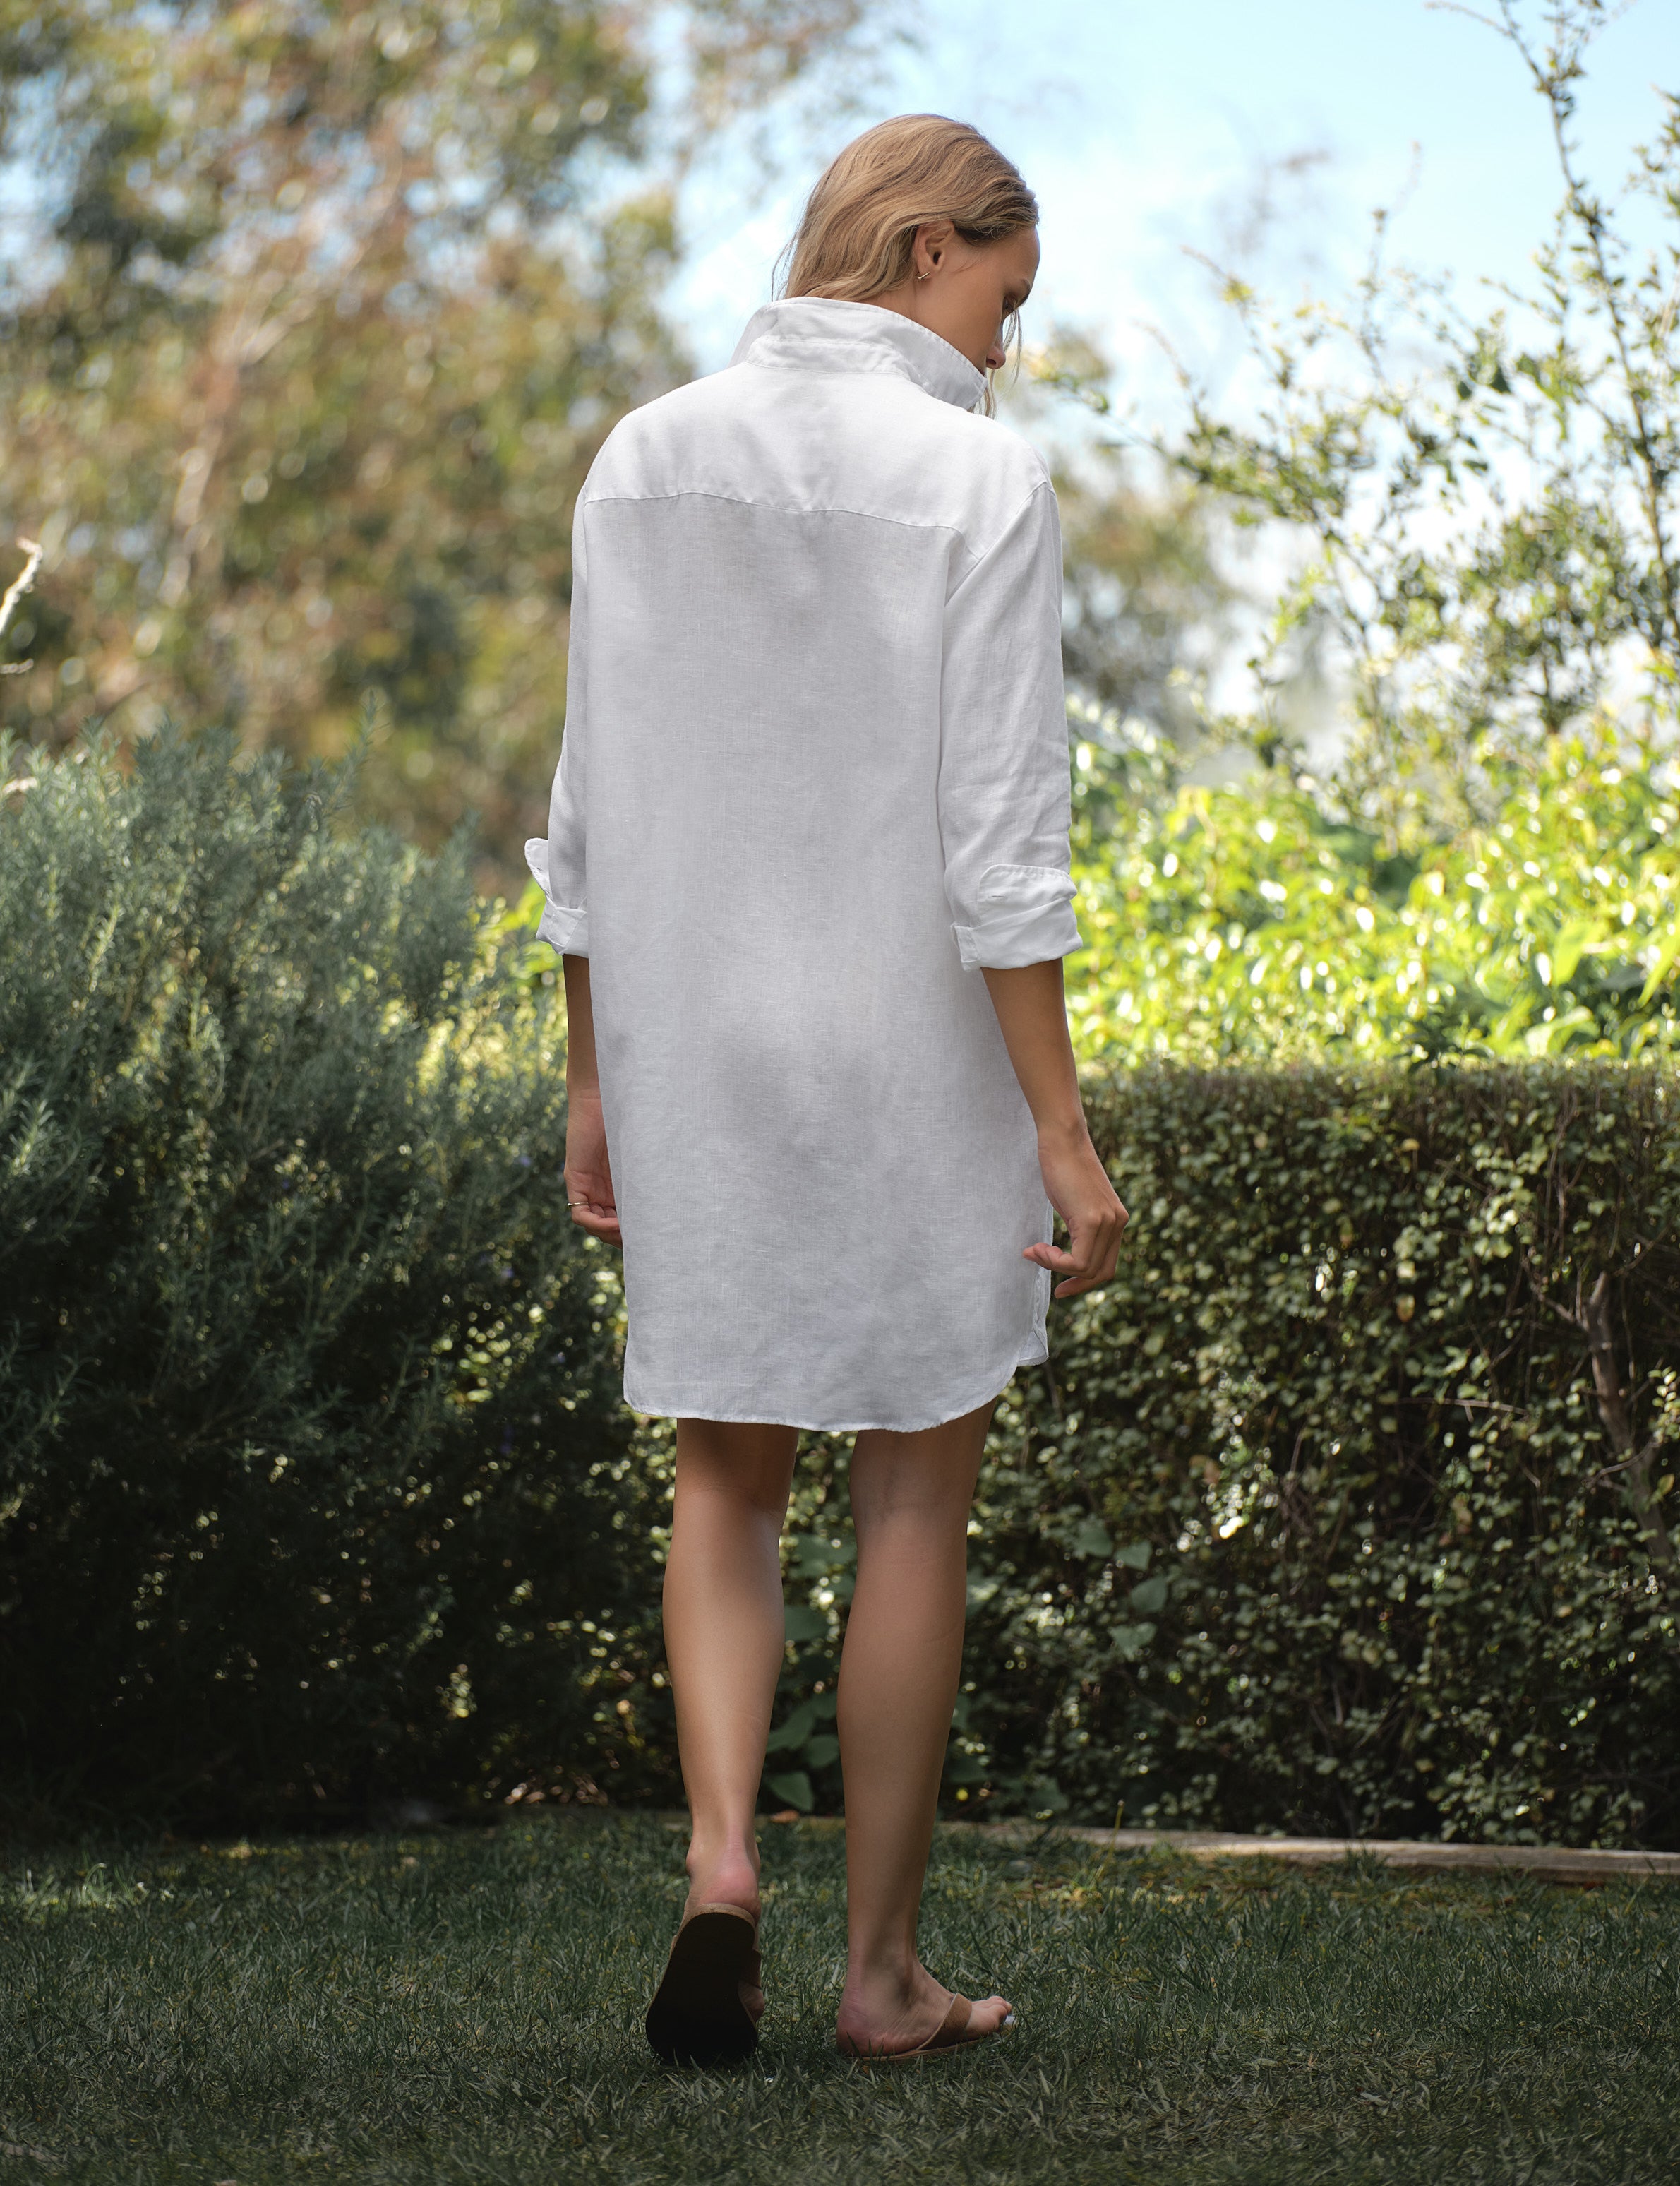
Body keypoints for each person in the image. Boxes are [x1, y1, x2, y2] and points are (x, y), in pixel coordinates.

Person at [527, 113, 1128, 2067]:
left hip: (689, 1037)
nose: (1007, 345)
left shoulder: (643, 456)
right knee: (910, 1503)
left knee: (722, 1471)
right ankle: (878, 1977)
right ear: (922, 240)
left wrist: (589, 1077)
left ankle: (719, 1866)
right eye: (1002, 295)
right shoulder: (980, 476)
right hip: (903, 1048)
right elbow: (999, 841)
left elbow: (587, 814)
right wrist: (1059, 1124)